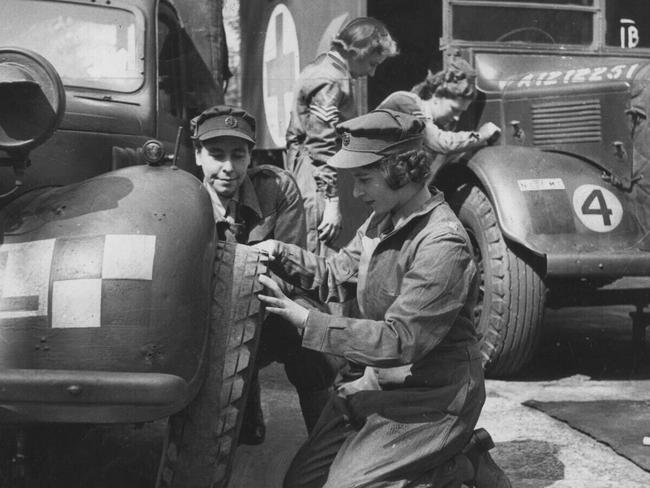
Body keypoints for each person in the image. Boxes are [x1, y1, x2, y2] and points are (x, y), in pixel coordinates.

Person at [255, 109, 511, 488]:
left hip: (433, 397)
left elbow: (401, 339)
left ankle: (460, 464)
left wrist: (307, 321)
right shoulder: (383, 220)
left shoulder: (443, 243)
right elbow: (337, 275)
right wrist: (278, 252)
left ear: (401, 170)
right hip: (380, 384)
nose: (356, 193)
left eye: (363, 179)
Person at [190, 105, 339, 444]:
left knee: (309, 334)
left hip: (266, 305)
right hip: (207, 320)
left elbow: (294, 271)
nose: (228, 168)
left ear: (249, 157)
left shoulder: (276, 188)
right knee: (232, 437)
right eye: (216, 155)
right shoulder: (185, 199)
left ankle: (329, 450)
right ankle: (243, 404)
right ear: (198, 155)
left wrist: (245, 282)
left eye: (238, 155)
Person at [285, 17, 398, 255]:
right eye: (371, 64)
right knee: (320, 251)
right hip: (318, 177)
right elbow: (321, 144)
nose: (372, 72)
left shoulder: (323, 67)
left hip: (312, 172)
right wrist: (332, 203)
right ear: (358, 53)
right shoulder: (331, 79)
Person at [378, 55, 501, 176]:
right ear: (437, 96)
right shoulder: (405, 102)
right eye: (454, 109)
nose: (457, 117)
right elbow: (438, 142)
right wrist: (482, 135)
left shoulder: (438, 128)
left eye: (461, 112)